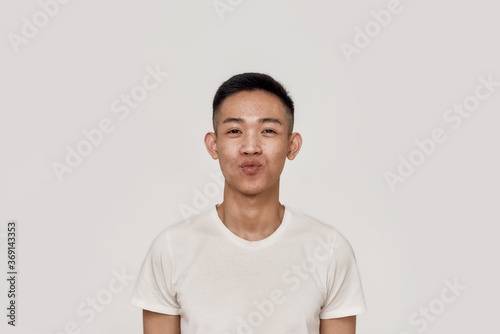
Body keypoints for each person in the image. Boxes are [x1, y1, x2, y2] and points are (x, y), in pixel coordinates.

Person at [130, 73, 367, 333]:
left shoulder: (329, 250)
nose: (250, 147)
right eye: (234, 131)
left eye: (268, 130)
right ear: (213, 145)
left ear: (292, 145)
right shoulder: (172, 249)